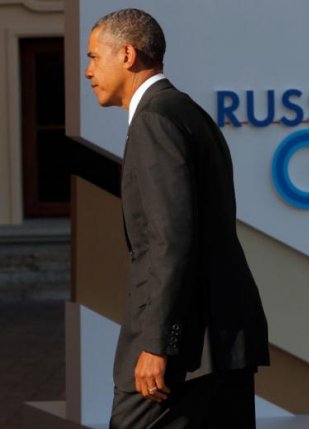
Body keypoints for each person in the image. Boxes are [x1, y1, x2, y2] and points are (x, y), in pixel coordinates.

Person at [85, 8, 270, 428]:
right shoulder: (187, 112)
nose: (88, 71)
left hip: (183, 353)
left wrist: (157, 344)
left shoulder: (155, 119)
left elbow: (172, 239)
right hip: (220, 343)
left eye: (94, 56)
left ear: (127, 55)